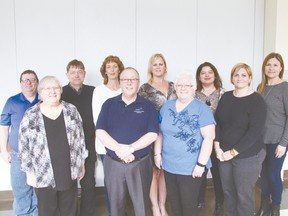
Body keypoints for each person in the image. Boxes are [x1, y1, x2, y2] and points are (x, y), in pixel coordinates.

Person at [18, 76, 87, 216]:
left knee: (70, 211)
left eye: (55, 87)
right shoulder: (31, 115)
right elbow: (23, 146)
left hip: (69, 171)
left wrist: (82, 164)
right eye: (47, 88)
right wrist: (29, 173)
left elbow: (80, 139)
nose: (52, 91)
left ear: (60, 90)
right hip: (42, 174)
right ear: (40, 92)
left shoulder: (71, 110)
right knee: (47, 212)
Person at [96, 67, 159, 216]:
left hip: (140, 163)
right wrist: (120, 150)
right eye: (125, 79)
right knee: (115, 207)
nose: (129, 83)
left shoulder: (148, 106)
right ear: (120, 82)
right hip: (114, 163)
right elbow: (100, 131)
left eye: (133, 79)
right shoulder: (108, 104)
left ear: (138, 83)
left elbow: (152, 134)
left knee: (141, 206)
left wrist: (130, 149)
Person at [154, 73, 215, 216]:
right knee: (174, 205)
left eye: (186, 85)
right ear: (175, 88)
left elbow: (209, 138)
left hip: (191, 168)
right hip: (169, 166)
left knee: (188, 207)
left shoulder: (202, 109)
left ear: (193, 88)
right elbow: (160, 132)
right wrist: (157, 154)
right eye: (179, 85)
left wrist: (201, 165)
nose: (183, 88)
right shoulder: (167, 107)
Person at [214, 63, 267, 216]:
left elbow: (254, 132)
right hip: (223, 154)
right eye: (236, 75)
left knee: (243, 196)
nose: (239, 78)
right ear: (231, 78)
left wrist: (232, 152)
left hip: (247, 156)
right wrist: (217, 147)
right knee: (228, 193)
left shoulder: (257, 101)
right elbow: (217, 123)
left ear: (250, 78)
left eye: (244, 75)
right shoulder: (226, 97)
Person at [138, 53, 176, 216]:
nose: (158, 67)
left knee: (165, 170)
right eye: (155, 64)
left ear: (165, 67)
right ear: (150, 68)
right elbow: (140, 112)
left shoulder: (174, 86)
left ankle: (162, 205)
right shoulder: (144, 89)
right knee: (154, 170)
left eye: (161, 64)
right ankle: (154, 206)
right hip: (152, 133)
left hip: (172, 134)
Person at [0, 70, 39, 216]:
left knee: (38, 190)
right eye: (25, 80)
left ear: (37, 82)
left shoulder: (44, 100)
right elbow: (3, 127)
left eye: (32, 79)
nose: (29, 82)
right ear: (21, 83)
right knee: (21, 190)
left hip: (39, 156)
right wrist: (4, 151)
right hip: (18, 155)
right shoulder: (12, 102)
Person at [61, 59, 96, 216]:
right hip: (67, 144)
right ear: (67, 74)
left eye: (80, 71)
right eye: (73, 72)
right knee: (69, 184)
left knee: (88, 183)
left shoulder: (93, 91)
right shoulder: (60, 92)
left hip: (89, 141)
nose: (76, 75)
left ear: (84, 74)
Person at [256, 52, 288, 216]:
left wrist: (284, 143)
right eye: (268, 64)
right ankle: (264, 205)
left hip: (278, 140)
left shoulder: (285, 87)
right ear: (264, 67)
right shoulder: (260, 87)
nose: (271, 68)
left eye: (275, 65)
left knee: (273, 174)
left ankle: (275, 207)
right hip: (261, 140)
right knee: (263, 174)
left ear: (281, 67)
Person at [92, 55, 124, 216]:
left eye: (115, 66)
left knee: (126, 182)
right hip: (106, 145)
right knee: (112, 182)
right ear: (105, 71)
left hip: (127, 144)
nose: (112, 70)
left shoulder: (126, 88)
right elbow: (97, 119)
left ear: (120, 69)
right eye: (109, 67)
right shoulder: (99, 91)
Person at [195, 62, 225, 216]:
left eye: (210, 72)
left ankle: (220, 202)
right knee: (199, 171)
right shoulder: (194, 94)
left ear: (215, 75)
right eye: (203, 72)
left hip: (217, 140)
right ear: (199, 76)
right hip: (199, 140)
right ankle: (199, 201)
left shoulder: (223, 93)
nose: (206, 75)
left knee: (218, 173)